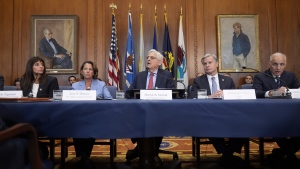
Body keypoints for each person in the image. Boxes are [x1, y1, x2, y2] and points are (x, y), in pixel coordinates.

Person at [190, 53, 247, 166]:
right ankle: (227, 154)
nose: (207, 65)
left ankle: (227, 154)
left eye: (210, 63)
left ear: (217, 64)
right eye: (205, 64)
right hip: (208, 115)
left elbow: (236, 97)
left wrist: (225, 94)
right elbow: (192, 96)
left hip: (228, 114)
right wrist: (209, 97)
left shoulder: (227, 80)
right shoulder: (198, 81)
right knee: (210, 124)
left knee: (244, 123)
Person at [125, 49, 175, 163]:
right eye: (147, 57)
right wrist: (135, 102)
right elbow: (128, 93)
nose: (148, 59)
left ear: (159, 62)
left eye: (152, 58)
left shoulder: (166, 75)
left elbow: (172, 94)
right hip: (140, 110)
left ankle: (143, 150)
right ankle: (146, 150)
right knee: (139, 119)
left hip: (160, 111)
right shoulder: (140, 75)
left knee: (156, 121)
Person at [252, 52, 300, 165]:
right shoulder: (260, 76)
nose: (278, 67)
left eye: (282, 64)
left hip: (290, 114)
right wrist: (273, 93)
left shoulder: (290, 76)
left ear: (285, 64)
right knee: (276, 125)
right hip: (268, 115)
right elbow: (256, 93)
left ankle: (281, 153)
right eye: (275, 64)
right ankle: (288, 153)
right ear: (269, 64)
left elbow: (298, 90)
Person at [72, 61, 112, 169]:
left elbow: (109, 99)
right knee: (76, 125)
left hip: (96, 116)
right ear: (81, 71)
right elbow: (70, 102)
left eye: (90, 69)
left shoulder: (101, 84)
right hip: (79, 117)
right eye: (85, 69)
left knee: (90, 125)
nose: (88, 71)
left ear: (94, 72)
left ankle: (83, 158)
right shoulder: (75, 86)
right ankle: (85, 159)